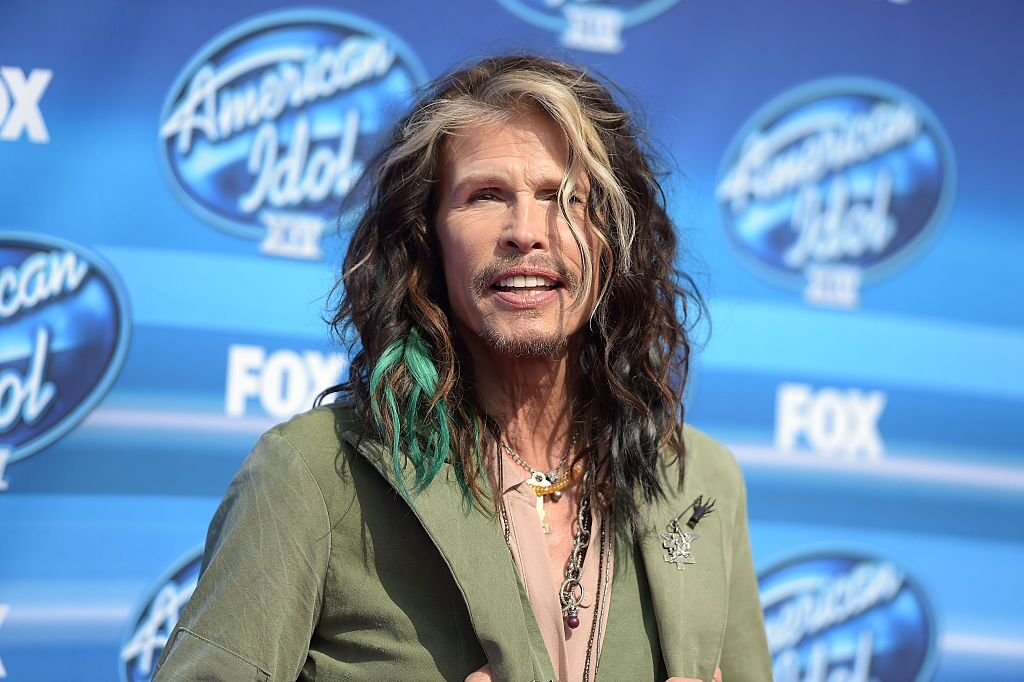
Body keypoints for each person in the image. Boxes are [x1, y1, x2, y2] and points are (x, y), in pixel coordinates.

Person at [153, 54, 771, 682]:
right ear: (427, 238)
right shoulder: (312, 473)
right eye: (485, 195)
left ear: (617, 242)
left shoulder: (702, 481)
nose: (527, 232)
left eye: (566, 198)